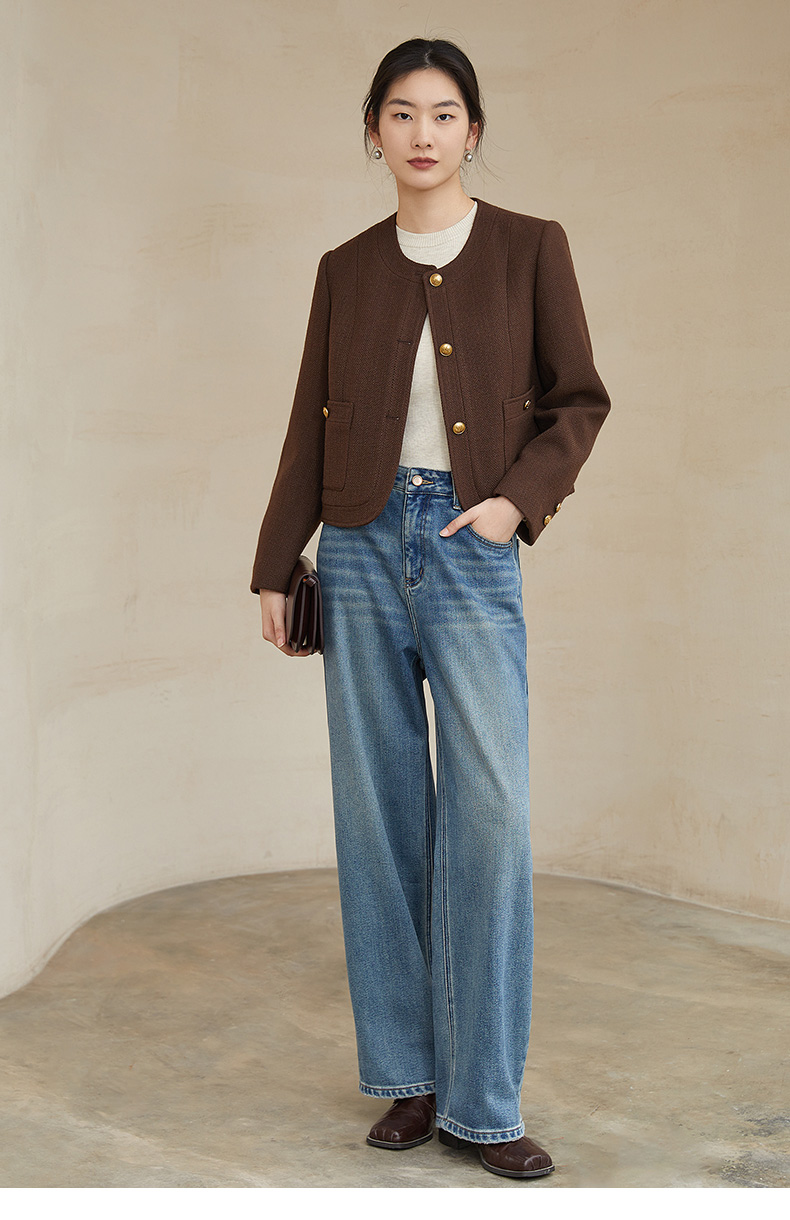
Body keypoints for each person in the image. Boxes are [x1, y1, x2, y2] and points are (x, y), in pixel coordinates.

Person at [251, 37, 610, 1180]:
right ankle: (409, 1075)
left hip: (466, 546)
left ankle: (484, 1101)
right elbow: (310, 416)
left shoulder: (528, 246)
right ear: (373, 131)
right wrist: (275, 561)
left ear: (472, 130)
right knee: (379, 814)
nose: (421, 132)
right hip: (356, 548)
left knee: (488, 818)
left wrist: (512, 504)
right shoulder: (345, 267)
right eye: (401, 112)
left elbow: (578, 400)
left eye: (443, 113)